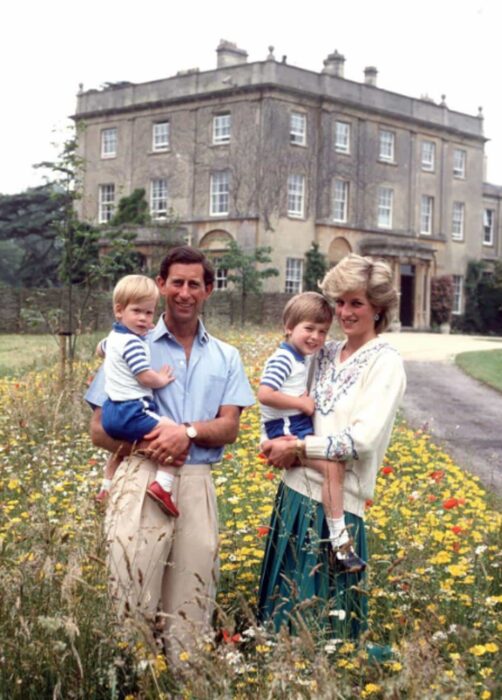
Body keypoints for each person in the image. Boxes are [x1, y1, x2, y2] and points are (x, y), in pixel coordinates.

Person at [85, 246, 254, 660]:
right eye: (175, 282)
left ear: (208, 290)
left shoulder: (226, 356)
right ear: (161, 286)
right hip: (142, 475)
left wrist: (187, 433)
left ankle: (186, 680)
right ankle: (133, 677)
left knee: (192, 601)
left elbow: (229, 426)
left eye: (193, 284)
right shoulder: (130, 341)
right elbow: (97, 428)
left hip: (196, 483)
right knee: (130, 593)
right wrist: (152, 444)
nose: (184, 292)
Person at [258, 253, 406, 640]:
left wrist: (297, 448)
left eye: (356, 303)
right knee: (282, 621)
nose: (344, 311)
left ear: (379, 308)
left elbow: (361, 441)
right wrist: (271, 440)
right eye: (340, 302)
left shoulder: (385, 363)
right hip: (293, 495)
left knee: (325, 631)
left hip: (339, 508)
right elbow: (281, 393)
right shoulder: (321, 351)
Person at [257, 292, 365, 573]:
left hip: (295, 430)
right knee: (332, 469)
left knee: (334, 469)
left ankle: (339, 540)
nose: (316, 337)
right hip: (287, 433)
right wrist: (301, 403)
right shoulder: (283, 359)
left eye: (322, 331)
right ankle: (341, 544)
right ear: (289, 327)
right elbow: (265, 394)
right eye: (309, 329)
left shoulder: (300, 359)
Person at [96, 274, 180, 517]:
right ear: (119, 311)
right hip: (132, 409)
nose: (144, 319)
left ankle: (106, 487)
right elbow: (144, 376)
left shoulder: (113, 338)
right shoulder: (132, 344)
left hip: (111, 411)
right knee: (173, 432)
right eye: (137, 312)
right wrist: (161, 379)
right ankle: (162, 485)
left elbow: (99, 350)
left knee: (121, 450)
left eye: (149, 313)